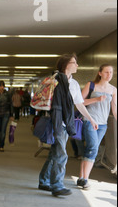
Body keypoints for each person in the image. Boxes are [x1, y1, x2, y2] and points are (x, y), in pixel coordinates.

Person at [38, 53, 98, 197]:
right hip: (55, 121)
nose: (77, 65)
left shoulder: (75, 83)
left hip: (66, 122)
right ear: (66, 65)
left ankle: (43, 181)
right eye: (74, 62)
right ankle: (57, 185)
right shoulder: (54, 80)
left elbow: (79, 103)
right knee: (61, 153)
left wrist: (90, 118)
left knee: (55, 152)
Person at [77, 64, 117, 189]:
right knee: (93, 149)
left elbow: (115, 109)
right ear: (100, 73)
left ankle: (81, 178)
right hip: (89, 120)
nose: (109, 75)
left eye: (111, 72)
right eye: (106, 72)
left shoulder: (113, 90)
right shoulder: (91, 85)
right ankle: (85, 179)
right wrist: (96, 99)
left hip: (103, 125)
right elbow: (80, 102)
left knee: (90, 148)